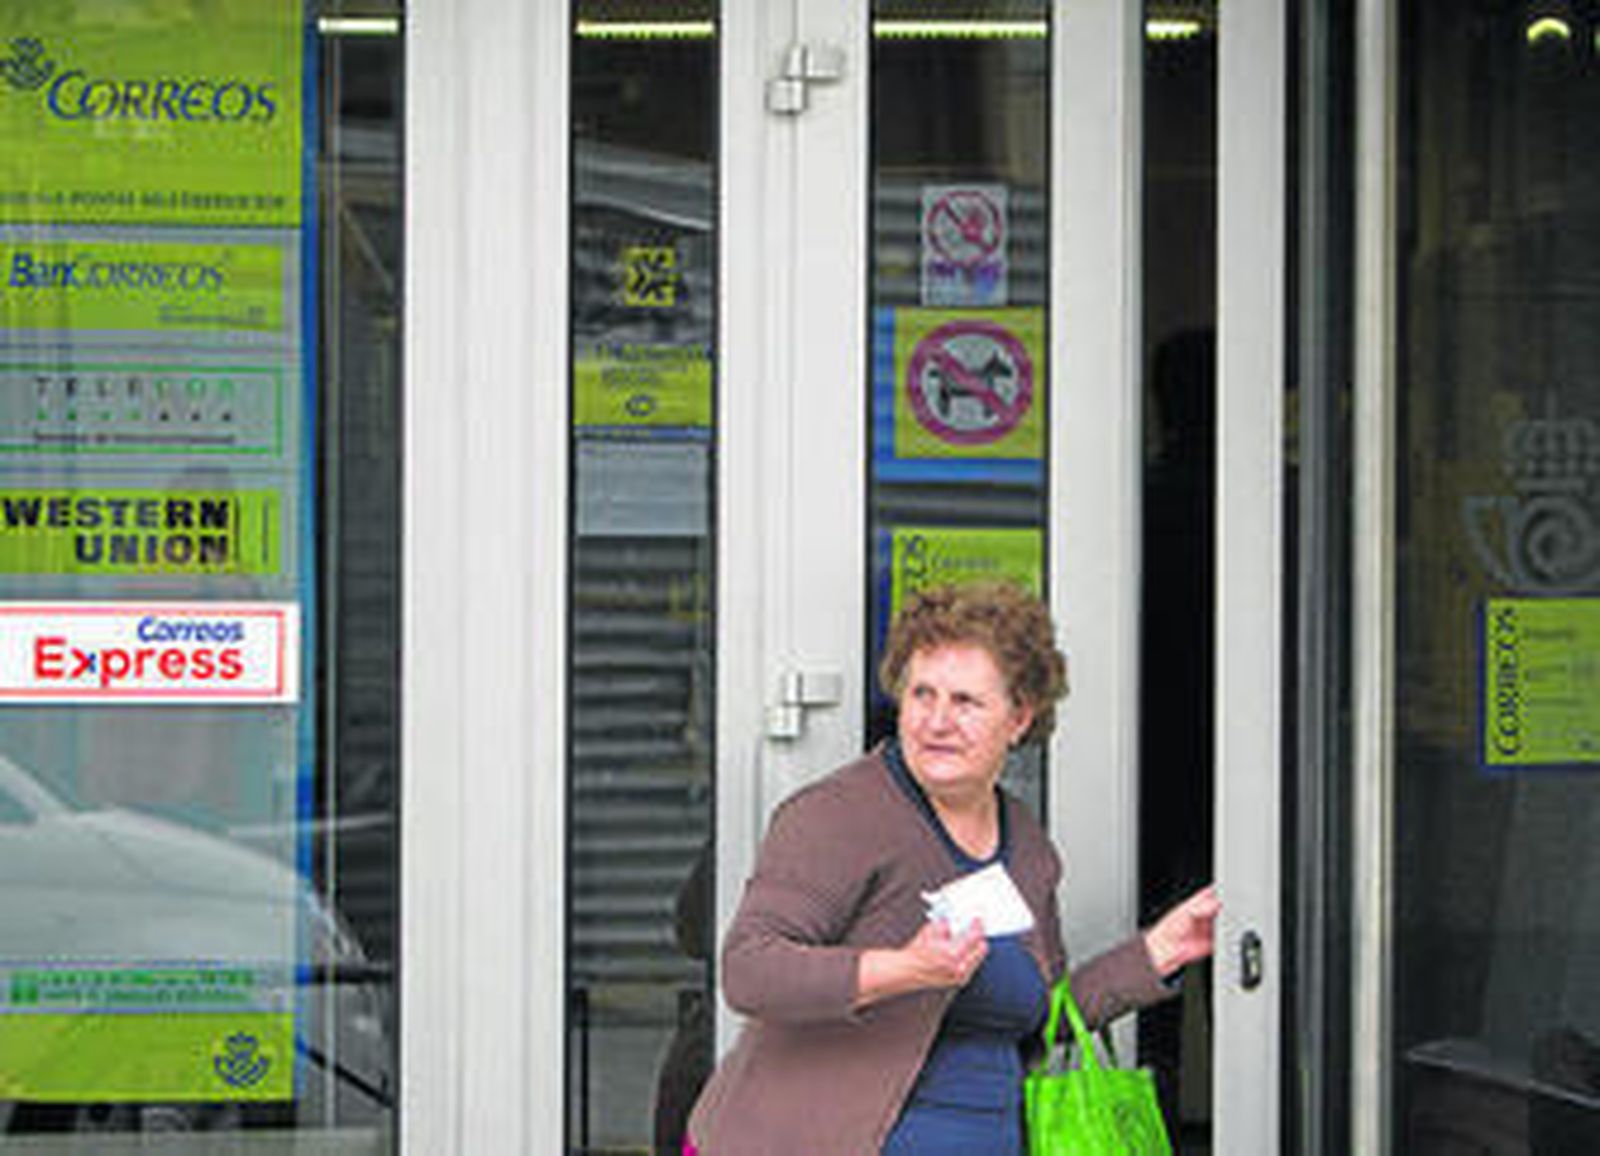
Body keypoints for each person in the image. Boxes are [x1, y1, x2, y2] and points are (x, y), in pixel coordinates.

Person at [685, 581, 1220, 1155]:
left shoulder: (1027, 846)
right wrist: (904, 969)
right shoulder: (838, 816)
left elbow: (1038, 1014)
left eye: (965, 702)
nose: (936, 721)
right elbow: (750, 967)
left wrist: (1160, 952)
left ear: (1019, 719)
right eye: (922, 695)